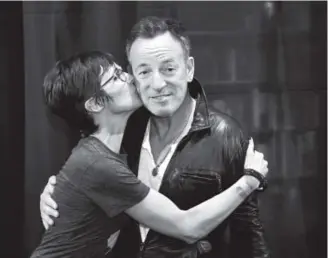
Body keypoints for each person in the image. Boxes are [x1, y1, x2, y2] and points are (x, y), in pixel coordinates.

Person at [40, 17, 270, 258]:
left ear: (189, 69)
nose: (158, 84)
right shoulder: (122, 126)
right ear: (132, 75)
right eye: (144, 71)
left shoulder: (225, 135)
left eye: (169, 69)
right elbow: (86, 178)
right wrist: (55, 196)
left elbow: (249, 234)